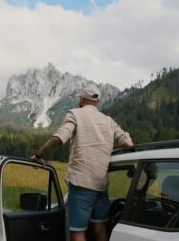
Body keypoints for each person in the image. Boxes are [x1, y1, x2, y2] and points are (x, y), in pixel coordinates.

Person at [31, 88, 133, 241]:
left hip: (81, 184)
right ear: (98, 102)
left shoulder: (75, 114)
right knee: (99, 229)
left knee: (78, 232)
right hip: (101, 186)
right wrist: (105, 146)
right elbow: (128, 143)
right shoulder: (108, 121)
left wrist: (39, 154)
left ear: (81, 100)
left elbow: (60, 137)